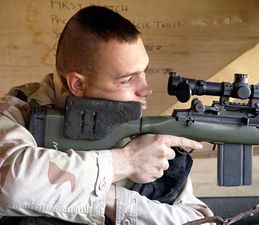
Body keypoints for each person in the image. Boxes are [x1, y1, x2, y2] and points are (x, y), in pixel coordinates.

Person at [0, 6, 213, 225]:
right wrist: (126, 161)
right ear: (78, 84)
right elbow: (13, 185)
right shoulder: (14, 115)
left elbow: (201, 221)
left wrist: (114, 200)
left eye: (143, 71)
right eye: (127, 79)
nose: (146, 89)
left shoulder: (142, 135)